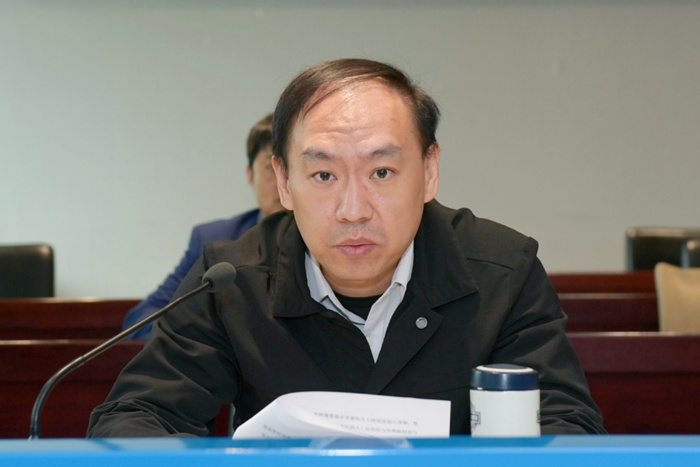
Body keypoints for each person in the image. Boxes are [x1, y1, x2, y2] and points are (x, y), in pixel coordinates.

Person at [88, 59, 605, 436]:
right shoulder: (231, 282)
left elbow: (567, 425)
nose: (353, 210)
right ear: (283, 183)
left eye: (382, 172)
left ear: (429, 171)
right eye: (323, 175)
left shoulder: (503, 271)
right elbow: (135, 417)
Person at [122, 114, 284, 339]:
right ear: (250, 175)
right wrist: (196, 339)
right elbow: (141, 319)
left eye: (292, 168)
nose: (283, 182)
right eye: (271, 168)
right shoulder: (214, 241)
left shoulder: (329, 242)